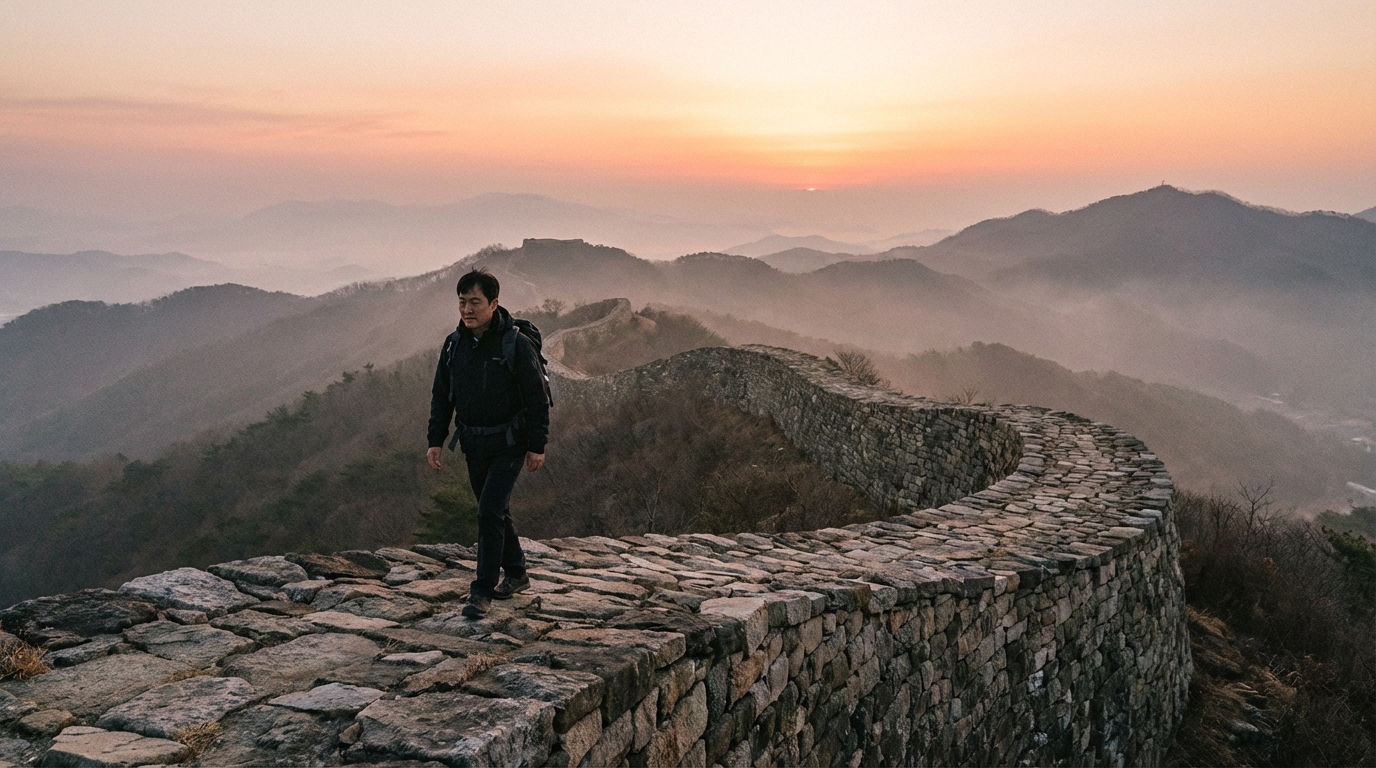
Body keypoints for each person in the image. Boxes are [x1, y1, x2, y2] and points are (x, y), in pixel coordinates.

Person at [426, 268, 548, 619]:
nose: (467, 309)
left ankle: (481, 592)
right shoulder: (454, 345)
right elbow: (441, 396)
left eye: (475, 302)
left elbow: (537, 399)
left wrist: (537, 445)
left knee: (488, 512)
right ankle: (517, 572)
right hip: (473, 444)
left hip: (509, 443)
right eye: (462, 302)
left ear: (494, 303)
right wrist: (436, 440)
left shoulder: (515, 344)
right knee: (495, 510)